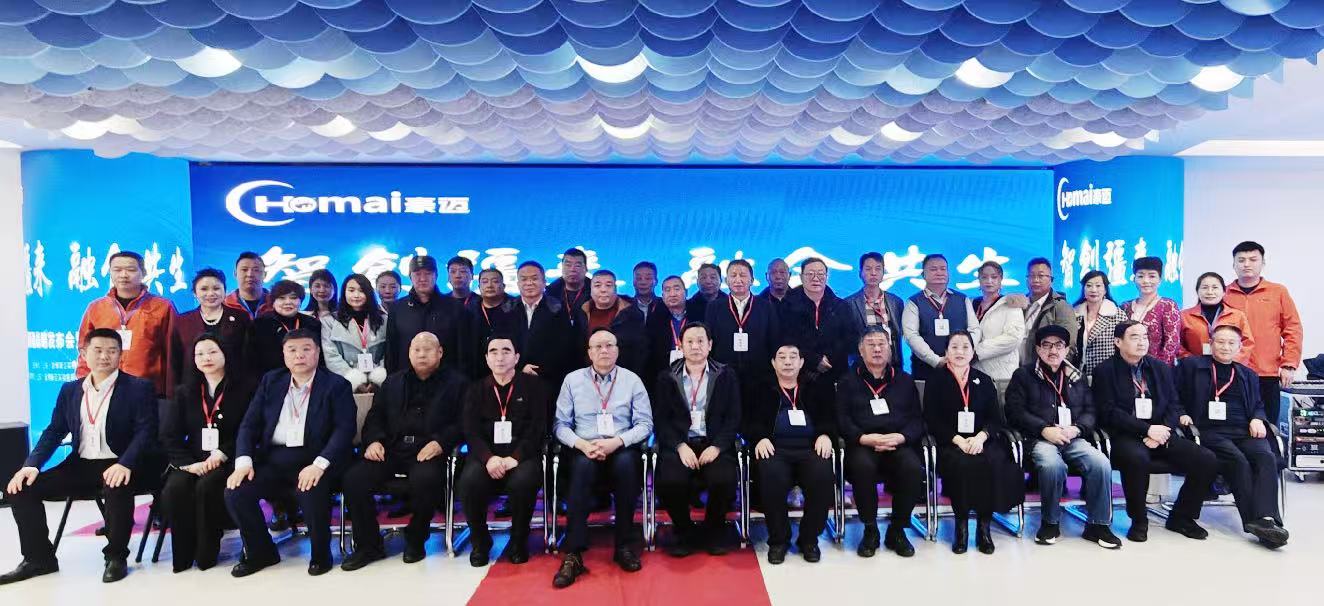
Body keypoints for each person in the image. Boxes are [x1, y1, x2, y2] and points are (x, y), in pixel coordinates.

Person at [1, 329, 163, 585]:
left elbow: (146, 431)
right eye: (97, 350)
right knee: (22, 489)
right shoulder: (70, 390)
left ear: (120, 355)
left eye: (112, 351)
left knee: (116, 484)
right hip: (81, 465)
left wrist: (125, 463)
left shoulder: (138, 388)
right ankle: (38, 559)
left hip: (123, 462)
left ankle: (116, 557)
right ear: (84, 353)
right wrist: (31, 465)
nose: (104, 356)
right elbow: (54, 431)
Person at [224, 329, 356, 577]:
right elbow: (249, 425)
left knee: (310, 488)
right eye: (292, 350)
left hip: (316, 459)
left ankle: (320, 555)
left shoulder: (336, 385)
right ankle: (261, 551)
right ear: (284, 355)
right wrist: (243, 462)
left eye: (306, 349)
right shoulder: (271, 381)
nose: (299, 356)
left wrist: (319, 464)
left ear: (317, 353)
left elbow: (344, 429)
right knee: (236, 491)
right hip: (274, 459)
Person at [340, 332, 467, 570]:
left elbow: (463, 422)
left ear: (440, 352)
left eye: (428, 349)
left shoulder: (457, 383)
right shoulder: (393, 382)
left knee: (426, 479)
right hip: (391, 448)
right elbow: (375, 416)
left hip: (429, 450)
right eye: (416, 349)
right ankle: (369, 545)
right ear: (409, 353)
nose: (422, 354)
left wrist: (441, 442)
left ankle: (416, 539)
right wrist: (373, 441)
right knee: (354, 479)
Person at [1092, 321, 1217, 543]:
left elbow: (1173, 404)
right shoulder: (1104, 371)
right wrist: (1147, 430)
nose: (1142, 342)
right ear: (1118, 342)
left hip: (1161, 432)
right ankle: (1139, 520)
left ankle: (1182, 516)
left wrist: (1163, 431)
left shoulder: (1160, 368)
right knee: (1137, 458)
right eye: (1134, 337)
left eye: (1145, 337)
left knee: (1206, 459)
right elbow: (1108, 412)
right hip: (1125, 434)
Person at [552, 328, 653, 588]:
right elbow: (560, 425)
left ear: (617, 350)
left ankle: (623, 546)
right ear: (589, 352)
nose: (604, 350)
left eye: (609, 345)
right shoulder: (572, 380)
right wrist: (582, 444)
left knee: (626, 465)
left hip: (620, 446)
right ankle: (574, 553)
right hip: (584, 447)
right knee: (581, 467)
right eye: (597, 346)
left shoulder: (632, 380)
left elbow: (645, 424)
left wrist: (617, 442)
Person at [1005, 325, 1120, 549]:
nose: (1053, 351)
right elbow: (1015, 411)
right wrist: (1044, 429)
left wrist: (1077, 429)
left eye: (1059, 345)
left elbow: (1090, 411)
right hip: (1039, 438)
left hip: (1072, 437)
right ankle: (1050, 522)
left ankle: (1098, 525)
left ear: (1067, 350)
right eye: (1047, 345)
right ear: (1038, 349)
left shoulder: (1077, 377)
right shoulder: (1023, 376)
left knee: (1100, 463)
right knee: (1052, 465)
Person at [1176, 324, 1289, 548]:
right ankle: (1255, 523)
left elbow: (1258, 405)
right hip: (1208, 430)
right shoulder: (1192, 366)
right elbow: (1174, 396)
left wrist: (1257, 418)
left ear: (1239, 347)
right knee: (1237, 459)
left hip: (1243, 430)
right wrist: (1181, 414)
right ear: (1210, 343)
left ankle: (1267, 519)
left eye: (1231, 343)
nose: (1225, 347)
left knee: (1266, 456)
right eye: (1220, 342)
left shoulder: (1248, 374)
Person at [160, 334, 256, 572]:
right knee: (175, 487)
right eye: (200, 354)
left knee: (207, 486)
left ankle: (206, 553)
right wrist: (189, 464)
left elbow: (249, 429)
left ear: (225, 354)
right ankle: (182, 557)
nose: (206, 358)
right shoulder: (185, 392)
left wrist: (222, 453)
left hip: (229, 458)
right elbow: (170, 435)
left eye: (212, 352)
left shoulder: (246, 388)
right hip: (193, 461)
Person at [923, 330, 1023, 554]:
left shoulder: (984, 380)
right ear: (946, 351)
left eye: (965, 347)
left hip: (982, 440)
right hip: (950, 441)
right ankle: (961, 526)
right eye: (954, 347)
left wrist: (981, 437)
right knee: (963, 465)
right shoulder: (936, 380)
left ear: (973, 351)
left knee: (994, 462)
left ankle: (984, 526)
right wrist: (958, 440)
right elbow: (932, 419)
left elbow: (995, 419)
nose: (960, 351)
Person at [653, 322, 741, 557]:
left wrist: (718, 446)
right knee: (670, 481)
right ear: (680, 345)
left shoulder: (726, 375)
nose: (695, 346)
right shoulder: (666, 377)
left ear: (710, 345)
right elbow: (661, 420)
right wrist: (680, 446)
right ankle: (684, 531)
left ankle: (713, 530)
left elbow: (733, 417)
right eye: (689, 341)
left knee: (723, 479)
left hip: (713, 443)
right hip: (681, 444)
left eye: (701, 341)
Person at [458, 335, 547, 566]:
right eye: (494, 352)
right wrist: (489, 458)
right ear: (487, 359)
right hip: (486, 456)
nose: (500, 357)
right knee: (469, 481)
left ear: (516, 358)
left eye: (506, 351)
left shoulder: (534, 386)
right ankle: (480, 542)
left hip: (522, 455)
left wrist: (515, 458)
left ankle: (518, 541)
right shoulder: (475, 389)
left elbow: (538, 427)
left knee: (523, 481)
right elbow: (470, 430)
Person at [836, 330, 924, 558]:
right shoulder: (847, 381)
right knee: (862, 467)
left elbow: (917, 419)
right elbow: (842, 420)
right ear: (860, 350)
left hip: (897, 442)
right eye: (871, 344)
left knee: (913, 468)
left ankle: (897, 529)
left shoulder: (904, 380)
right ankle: (870, 529)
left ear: (890, 348)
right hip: (863, 443)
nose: (877, 349)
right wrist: (864, 438)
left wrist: (901, 437)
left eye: (881, 344)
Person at [746, 342, 836, 564]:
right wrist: (760, 438)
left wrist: (825, 434)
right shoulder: (761, 388)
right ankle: (779, 540)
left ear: (802, 362)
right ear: (773, 363)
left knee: (822, 474)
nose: (788, 362)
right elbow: (749, 421)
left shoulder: (815, 386)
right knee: (770, 474)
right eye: (782, 357)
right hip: (775, 448)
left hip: (810, 448)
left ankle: (809, 539)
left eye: (793, 356)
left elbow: (830, 417)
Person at [1222, 241, 1303, 430]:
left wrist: (1289, 364)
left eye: (1253, 259)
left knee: (1267, 429)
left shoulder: (1278, 292)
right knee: (1233, 427)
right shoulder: (1223, 293)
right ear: (1233, 264)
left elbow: (1293, 329)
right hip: (1231, 372)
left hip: (1267, 373)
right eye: (1241, 260)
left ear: (1263, 263)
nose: (1246, 264)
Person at [76, 250, 177, 396]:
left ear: (143, 273)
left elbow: (172, 353)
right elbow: (85, 350)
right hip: (103, 392)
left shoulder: (162, 307)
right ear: (110, 273)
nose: (123, 275)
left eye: (131, 270)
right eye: (117, 270)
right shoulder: (96, 308)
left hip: (148, 392)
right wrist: (83, 388)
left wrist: (171, 395)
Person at [706, 260, 781, 400]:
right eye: (733, 275)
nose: (738, 280)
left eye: (743, 275)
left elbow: (774, 341)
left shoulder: (766, 307)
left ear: (752, 280)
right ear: (726, 281)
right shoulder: (714, 307)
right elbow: (709, 342)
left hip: (759, 377)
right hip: (723, 376)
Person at [168, 268, 251, 393]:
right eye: (204, 289)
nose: (211, 293)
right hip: (193, 389)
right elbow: (175, 360)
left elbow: (248, 356)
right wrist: (174, 392)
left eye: (216, 288)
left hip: (234, 388)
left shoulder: (241, 318)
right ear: (195, 293)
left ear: (225, 291)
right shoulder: (182, 321)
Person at [902, 254, 981, 381]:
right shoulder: (914, 302)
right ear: (923, 274)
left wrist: (964, 353)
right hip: (926, 370)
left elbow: (974, 329)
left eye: (943, 269)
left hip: (961, 368)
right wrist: (936, 360)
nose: (939, 272)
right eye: (933, 269)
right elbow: (911, 336)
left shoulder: (962, 299)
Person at [501, 261, 575, 392]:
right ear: (518, 283)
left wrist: (540, 370)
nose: (529, 283)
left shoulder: (557, 308)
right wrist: (520, 367)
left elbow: (564, 347)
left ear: (544, 282)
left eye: (534, 278)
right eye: (524, 279)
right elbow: (501, 344)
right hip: (513, 376)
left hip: (549, 379)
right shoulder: (507, 309)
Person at [384, 255, 464, 374]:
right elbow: (391, 351)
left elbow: (463, 351)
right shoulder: (397, 308)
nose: (422, 279)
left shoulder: (455, 307)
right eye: (417, 274)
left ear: (436, 276)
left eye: (428, 273)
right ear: (410, 277)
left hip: (446, 380)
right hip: (406, 379)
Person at [782, 257, 852, 387]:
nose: (815, 278)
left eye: (820, 274)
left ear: (827, 277)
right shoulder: (786, 306)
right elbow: (785, 339)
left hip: (835, 375)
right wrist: (814, 361)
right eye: (810, 274)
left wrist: (828, 359)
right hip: (799, 375)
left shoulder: (841, 306)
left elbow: (849, 338)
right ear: (801, 277)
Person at [322, 274, 388, 393]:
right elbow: (331, 356)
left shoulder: (383, 319)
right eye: (351, 290)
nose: (356, 295)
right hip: (344, 383)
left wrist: (377, 379)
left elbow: (389, 352)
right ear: (344, 292)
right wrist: (354, 380)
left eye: (361, 291)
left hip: (379, 384)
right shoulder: (330, 321)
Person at [573, 270, 648, 375]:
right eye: (597, 285)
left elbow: (640, 351)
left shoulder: (632, 314)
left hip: (623, 376)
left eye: (608, 285)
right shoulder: (582, 312)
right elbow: (576, 349)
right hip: (587, 376)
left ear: (616, 289)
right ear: (590, 289)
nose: (603, 290)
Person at [250, 280, 323, 378]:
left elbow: (320, 359)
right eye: (281, 298)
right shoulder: (259, 325)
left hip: (309, 379)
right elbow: (251, 362)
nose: (288, 302)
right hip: (271, 381)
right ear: (273, 302)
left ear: (301, 301)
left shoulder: (312, 324)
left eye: (293, 298)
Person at [843, 252, 904, 370]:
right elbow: (846, 338)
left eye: (878, 269)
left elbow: (899, 333)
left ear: (883, 273)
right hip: (861, 366)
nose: (873, 273)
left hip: (892, 366)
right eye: (868, 269)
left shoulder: (896, 302)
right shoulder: (848, 304)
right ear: (860, 273)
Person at [1180, 272, 1255, 363]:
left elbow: (1247, 343)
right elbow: (1177, 344)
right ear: (1197, 291)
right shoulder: (1184, 316)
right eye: (1205, 288)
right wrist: (1192, 361)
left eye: (1215, 287)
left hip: (1229, 367)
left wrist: (1231, 362)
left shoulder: (1237, 316)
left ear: (1224, 292)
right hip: (1195, 368)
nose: (1210, 292)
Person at [971, 261, 1026, 381]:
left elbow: (1013, 338)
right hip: (975, 372)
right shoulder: (972, 304)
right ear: (979, 280)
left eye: (994, 277)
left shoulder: (1011, 304)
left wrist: (977, 352)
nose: (989, 281)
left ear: (1001, 279)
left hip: (1001, 374)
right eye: (984, 277)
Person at [1019, 257, 1079, 365]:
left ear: (1051, 279)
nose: (1036, 280)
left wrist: (1051, 368)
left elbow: (1069, 344)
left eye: (1041, 276)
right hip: (1015, 368)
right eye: (1032, 276)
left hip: (1044, 369)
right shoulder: (1019, 304)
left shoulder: (1061, 306)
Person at [1121, 257, 1180, 365]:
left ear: (1160, 280)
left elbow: (1172, 344)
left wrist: (1157, 369)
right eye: (1140, 276)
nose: (1146, 281)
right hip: (1125, 367)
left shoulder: (1168, 305)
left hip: (1157, 369)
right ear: (1134, 279)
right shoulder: (1125, 306)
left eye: (1152, 276)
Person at [1073, 270, 1123, 377]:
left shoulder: (1117, 314)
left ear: (1105, 290)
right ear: (1083, 289)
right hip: (1078, 374)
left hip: (1108, 374)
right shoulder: (1074, 314)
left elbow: (1124, 345)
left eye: (1098, 286)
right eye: (1089, 285)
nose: (1093, 290)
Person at [465, 268, 514, 378]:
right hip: (478, 371)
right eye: (485, 282)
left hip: (510, 369)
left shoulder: (516, 308)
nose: (490, 285)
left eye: (495, 281)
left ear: (503, 286)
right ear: (479, 287)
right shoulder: (469, 311)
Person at [644, 275, 691, 388]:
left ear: (686, 292)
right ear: (663, 296)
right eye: (667, 290)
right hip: (664, 378)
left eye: (676, 289)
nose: (672, 294)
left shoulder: (699, 315)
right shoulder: (655, 320)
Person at [546, 248, 590, 325]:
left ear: (586, 269)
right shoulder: (550, 293)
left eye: (577, 266)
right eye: (568, 265)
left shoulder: (596, 292)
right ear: (562, 268)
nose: (572, 269)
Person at [224, 251, 271, 320]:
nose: (250, 274)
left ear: (265, 275)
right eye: (244, 270)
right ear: (235, 274)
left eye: (256, 270)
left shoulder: (276, 304)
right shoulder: (224, 305)